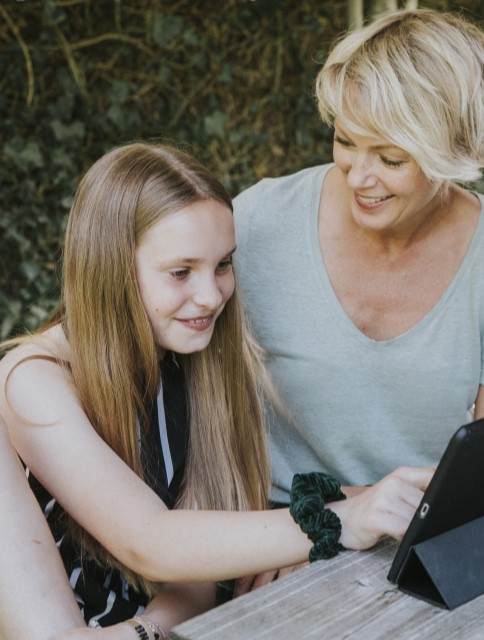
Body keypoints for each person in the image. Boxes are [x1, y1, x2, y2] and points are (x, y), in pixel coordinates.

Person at [0, 142, 433, 639]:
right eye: (181, 272)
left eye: (223, 265)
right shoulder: (32, 379)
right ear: (112, 271)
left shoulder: (188, 359)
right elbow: (152, 542)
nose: (211, 296)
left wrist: (150, 629)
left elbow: (196, 575)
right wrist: (336, 521)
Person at [234, 9, 484, 505]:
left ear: (451, 155)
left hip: (423, 531)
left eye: (390, 159)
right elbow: (188, 408)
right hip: (275, 530)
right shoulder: (257, 222)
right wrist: (276, 530)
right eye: (345, 140)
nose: (357, 176)